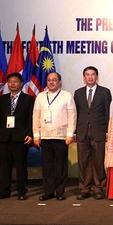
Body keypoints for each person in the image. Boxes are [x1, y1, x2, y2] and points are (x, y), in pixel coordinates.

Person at [33, 72, 76, 201]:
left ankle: (60, 191)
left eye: (54, 80)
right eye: (49, 80)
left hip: (61, 136)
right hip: (45, 136)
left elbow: (72, 116)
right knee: (47, 166)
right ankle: (48, 191)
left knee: (60, 166)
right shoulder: (40, 96)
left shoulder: (67, 96)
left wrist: (69, 134)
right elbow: (36, 117)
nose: (51, 82)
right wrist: (36, 134)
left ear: (60, 82)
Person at [0, 73, 34, 200]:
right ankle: (4, 190)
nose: (12, 84)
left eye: (15, 81)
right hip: (5, 137)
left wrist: (30, 134)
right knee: (5, 166)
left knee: (21, 166)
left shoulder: (28, 99)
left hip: (21, 138)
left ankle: (21, 191)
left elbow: (31, 119)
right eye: (10, 82)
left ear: (21, 84)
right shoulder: (2, 99)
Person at [73, 66, 112, 200]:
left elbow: (108, 113)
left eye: (93, 74)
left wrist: (108, 132)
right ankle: (84, 188)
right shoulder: (78, 93)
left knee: (98, 161)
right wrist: (74, 132)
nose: (90, 77)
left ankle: (98, 187)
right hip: (82, 132)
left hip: (99, 131)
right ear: (84, 77)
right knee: (83, 161)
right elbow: (75, 114)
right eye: (87, 75)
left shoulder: (105, 92)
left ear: (97, 76)